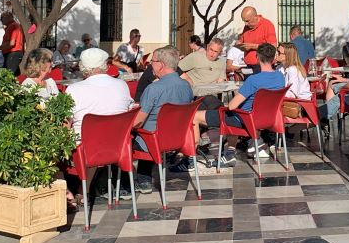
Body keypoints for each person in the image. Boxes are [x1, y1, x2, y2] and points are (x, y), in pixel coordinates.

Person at [196, 42, 284, 166]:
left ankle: (189, 159)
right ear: (274, 57)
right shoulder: (280, 77)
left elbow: (232, 106)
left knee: (197, 115)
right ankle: (230, 153)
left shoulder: (253, 80)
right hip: (268, 119)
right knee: (234, 112)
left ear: (257, 57)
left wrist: (225, 107)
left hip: (246, 119)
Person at [132, 46, 194, 184]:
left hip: (153, 141)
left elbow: (138, 123)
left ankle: (127, 185)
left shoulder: (153, 88)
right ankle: (144, 179)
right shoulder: (186, 86)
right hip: (178, 138)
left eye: (152, 61)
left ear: (161, 65)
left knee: (123, 137)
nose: (149, 65)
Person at [66, 47, 134, 139]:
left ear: (82, 67)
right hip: (117, 146)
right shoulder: (122, 85)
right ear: (105, 64)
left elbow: (66, 125)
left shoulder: (73, 89)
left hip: (84, 149)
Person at [236, 7, 277, 74]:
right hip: (248, 66)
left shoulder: (267, 25)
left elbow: (272, 47)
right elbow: (241, 40)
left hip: (262, 67)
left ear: (255, 16)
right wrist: (239, 43)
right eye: (244, 21)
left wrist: (253, 46)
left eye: (247, 21)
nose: (245, 24)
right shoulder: (247, 27)